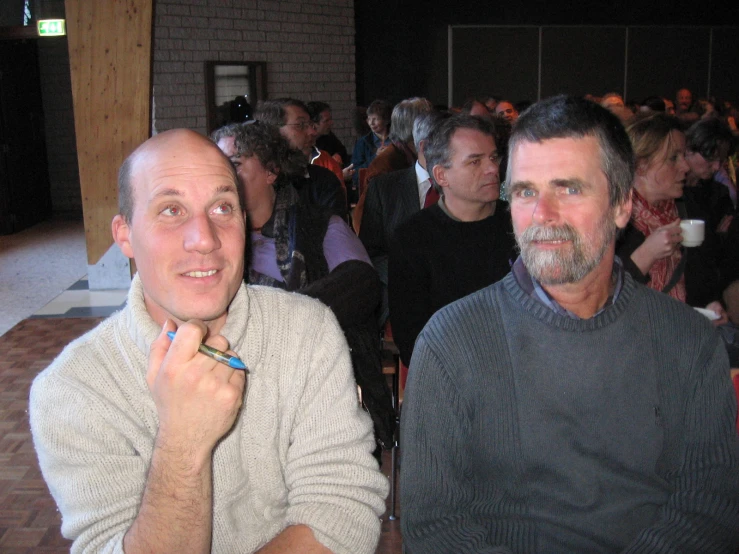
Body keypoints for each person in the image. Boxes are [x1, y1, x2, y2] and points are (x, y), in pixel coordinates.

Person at [400, 96, 739, 553]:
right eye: (524, 191)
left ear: (621, 205)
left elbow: (709, 503)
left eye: (569, 188)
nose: (542, 214)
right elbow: (435, 525)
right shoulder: (451, 343)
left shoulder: (689, 341)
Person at [29, 129, 388, 554]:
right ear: (125, 235)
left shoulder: (307, 331)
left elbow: (343, 509)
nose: (205, 238)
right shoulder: (72, 390)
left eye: (222, 207)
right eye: (171, 209)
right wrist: (183, 443)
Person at [214, 121, 395, 456]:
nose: (224, 174)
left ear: (270, 171)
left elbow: (361, 283)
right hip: (235, 398)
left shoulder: (318, 224)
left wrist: (272, 320)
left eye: (236, 163)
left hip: (318, 393)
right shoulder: (209, 239)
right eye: (219, 164)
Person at [388, 114, 516, 375]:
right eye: (475, 161)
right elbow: (412, 341)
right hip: (452, 376)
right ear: (441, 176)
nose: (492, 169)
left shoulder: (520, 224)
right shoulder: (412, 238)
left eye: (493, 157)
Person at [616, 113, 727, 313]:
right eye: (673, 158)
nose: (685, 166)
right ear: (641, 165)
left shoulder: (688, 207)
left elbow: (705, 273)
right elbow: (603, 298)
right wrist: (647, 253)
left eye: (684, 155)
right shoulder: (612, 218)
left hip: (681, 332)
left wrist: (710, 305)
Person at [359, 111, 449, 324]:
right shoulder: (385, 189)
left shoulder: (465, 187)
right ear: (425, 147)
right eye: (450, 146)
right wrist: (411, 277)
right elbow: (369, 252)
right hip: (402, 298)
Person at [255, 98, 347, 219]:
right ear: (273, 132)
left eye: (310, 124)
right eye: (300, 125)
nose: (312, 132)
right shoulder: (255, 182)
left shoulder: (323, 181)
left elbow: (336, 231)